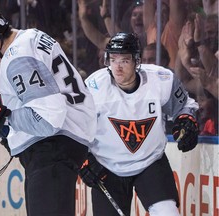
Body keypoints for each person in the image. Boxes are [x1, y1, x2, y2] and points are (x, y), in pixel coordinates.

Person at [0, 4, 97, 216]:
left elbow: (47, 120)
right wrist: (9, 131)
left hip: (52, 150)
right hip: (61, 145)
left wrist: (4, 120)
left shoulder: (17, 58)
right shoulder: (31, 37)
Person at [79, 32, 199, 216]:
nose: (117, 67)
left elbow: (183, 106)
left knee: (168, 213)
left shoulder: (161, 80)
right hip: (107, 166)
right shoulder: (93, 88)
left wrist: (186, 120)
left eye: (125, 61)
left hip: (150, 162)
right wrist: (83, 158)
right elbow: (75, 126)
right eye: (113, 59)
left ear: (137, 61)